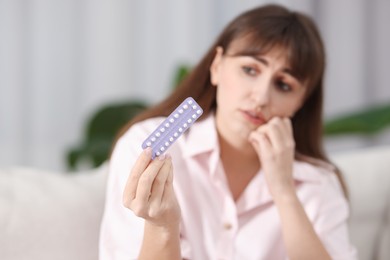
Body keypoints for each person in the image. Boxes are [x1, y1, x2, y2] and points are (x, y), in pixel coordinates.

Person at [99, 4, 357, 260]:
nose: (261, 96)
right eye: (250, 70)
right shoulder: (143, 148)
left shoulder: (317, 184)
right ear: (217, 66)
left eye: (283, 85)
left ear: (301, 102)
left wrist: (284, 192)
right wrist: (162, 227)